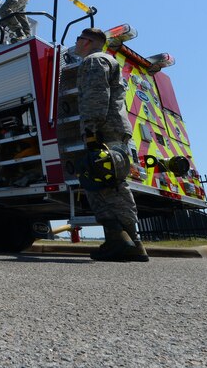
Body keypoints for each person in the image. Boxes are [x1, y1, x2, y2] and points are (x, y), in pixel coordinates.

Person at [75, 27, 149, 262]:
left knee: (101, 184)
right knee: (115, 185)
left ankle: (121, 242)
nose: (76, 44)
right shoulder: (109, 60)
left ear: (87, 42)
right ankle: (129, 242)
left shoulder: (95, 60)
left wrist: (90, 130)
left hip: (103, 131)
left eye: (78, 40)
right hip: (115, 131)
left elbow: (96, 96)